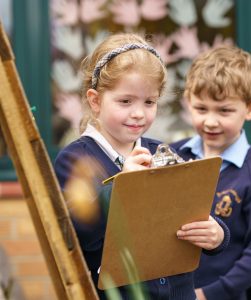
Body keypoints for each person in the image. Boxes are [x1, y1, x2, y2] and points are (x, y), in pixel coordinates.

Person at [54, 33, 230, 299]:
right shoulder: (75, 160)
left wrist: (217, 234)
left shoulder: (161, 150)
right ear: (95, 100)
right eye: (125, 101)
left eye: (149, 102)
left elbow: (189, 208)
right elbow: (74, 234)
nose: (139, 113)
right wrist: (123, 187)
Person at [171, 45, 251, 300]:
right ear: (188, 102)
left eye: (224, 110)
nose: (210, 121)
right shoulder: (173, 157)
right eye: (201, 109)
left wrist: (210, 293)